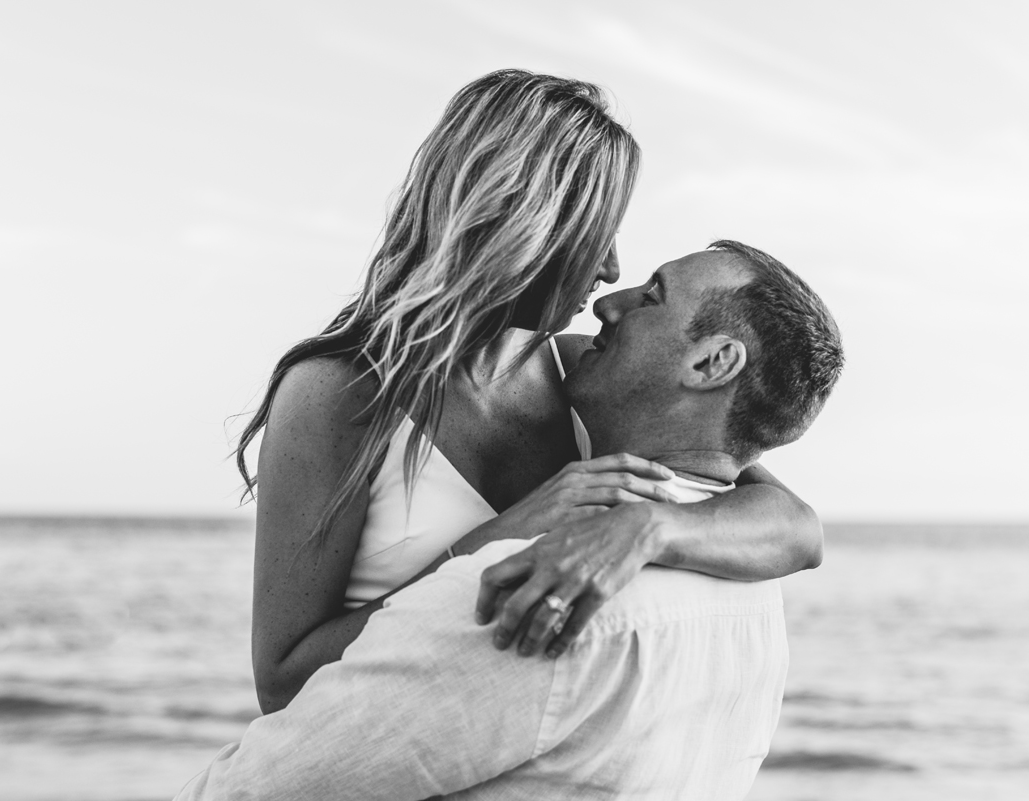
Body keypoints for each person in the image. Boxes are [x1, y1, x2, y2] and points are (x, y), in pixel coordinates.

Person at [238, 69, 825, 717]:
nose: (611, 271)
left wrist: (650, 528)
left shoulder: (585, 376)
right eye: (598, 232)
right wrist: (499, 539)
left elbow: (795, 529)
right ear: (521, 224)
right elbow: (282, 682)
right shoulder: (338, 395)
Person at [176, 240, 845, 800]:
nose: (611, 289)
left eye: (649, 297)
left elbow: (257, 787)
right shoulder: (753, 598)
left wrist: (610, 532)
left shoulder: (542, 590)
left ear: (711, 362)